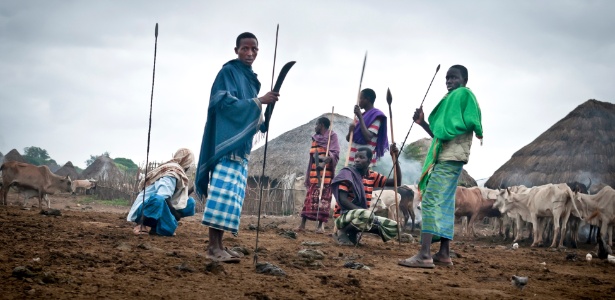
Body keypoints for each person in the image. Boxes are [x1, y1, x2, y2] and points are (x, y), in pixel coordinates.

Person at [195, 32, 279, 263]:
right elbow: (222, 103)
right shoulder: (228, 72)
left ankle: (221, 245)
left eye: (254, 49)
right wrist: (259, 102)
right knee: (221, 196)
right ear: (236, 50)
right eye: (245, 49)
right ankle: (212, 247)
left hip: (241, 148)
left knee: (231, 197)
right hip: (226, 145)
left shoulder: (251, 79)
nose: (250, 53)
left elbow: (250, 113)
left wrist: (261, 118)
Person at [398, 65, 483, 268]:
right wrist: (423, 123)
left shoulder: (462, 95)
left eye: (454, 77)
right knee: (445, 204)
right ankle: (444, 254)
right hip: (451, 157)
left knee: (430, 201)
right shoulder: (455, 101)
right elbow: (441, 136)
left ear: (465, 80)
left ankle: (425, 255)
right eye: (447, 78)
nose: (449, 81)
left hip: (448, 159)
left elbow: (446, 132)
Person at [331, 145, 401, 245]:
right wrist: (363, 212)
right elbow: (343, 200)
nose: (357, 160)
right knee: (368, 215)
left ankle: (353, 232)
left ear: (369, 161)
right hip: (343, 217)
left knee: (393, 226)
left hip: (363, 216)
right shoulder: (347, 174)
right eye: (356, 157)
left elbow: (397, 182)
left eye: (361, 157)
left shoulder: (372, 176)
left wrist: (395, 159)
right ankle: (342, 231)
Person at [127, 148, 196, 236]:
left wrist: (194, 188)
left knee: (190, 203)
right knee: (158, 199)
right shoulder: (172, 172)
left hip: (160, 205)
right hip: (145, 207)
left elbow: (177, 198)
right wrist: (175, 213)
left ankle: (156, 227)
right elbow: (163, 196)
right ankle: (141, 224)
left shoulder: (177, 172)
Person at [297, 117, 340, 233]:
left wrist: (325, 161)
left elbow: (335, 154)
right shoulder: (315, 138)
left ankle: (320, 226)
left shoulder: (332, 136)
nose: (315, 127)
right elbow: (312, 157)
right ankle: (302, 224)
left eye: (316, 124)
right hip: (314, 174)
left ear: (321, 125)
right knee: (309, 198)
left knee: (324, 201)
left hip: (326, 175)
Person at [346, 88, 389, 166]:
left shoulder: (376, 116)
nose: (359, 101)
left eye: (361, 98)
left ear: (367, 99)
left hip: (364, 163)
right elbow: (349, 139)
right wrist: (350, 130)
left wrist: (359, 116)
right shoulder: (360, 117)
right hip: (353, 160)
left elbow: (368, 137)